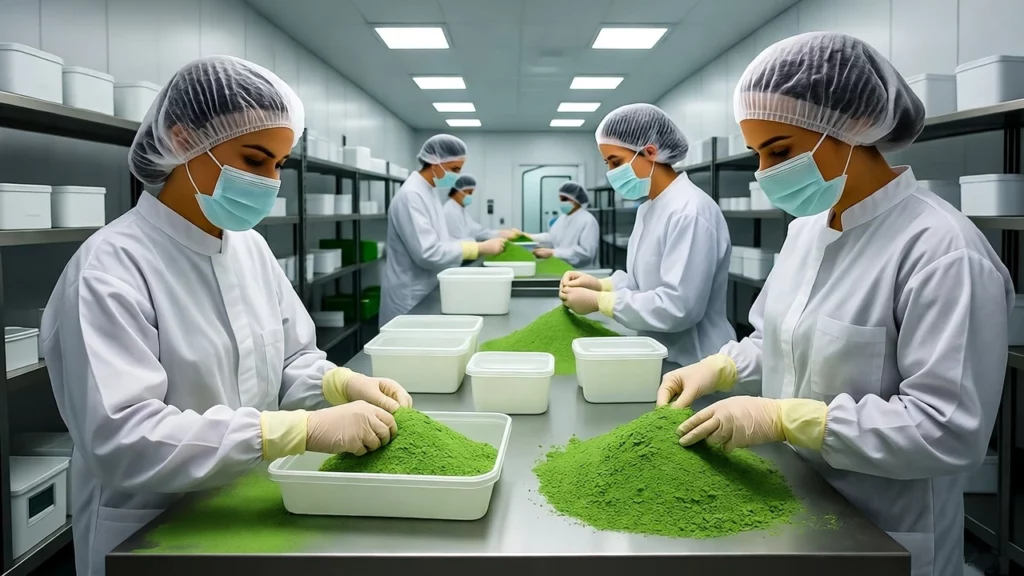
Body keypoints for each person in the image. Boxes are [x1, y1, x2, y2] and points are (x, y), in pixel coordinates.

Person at [40, 56, 414, 576]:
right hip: (149, 532)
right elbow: (123, 438)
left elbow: (290, 359)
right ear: (182, 139)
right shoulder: (110, 269)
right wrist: (294, 432)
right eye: (255, 159)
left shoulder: (249, 249)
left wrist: (337, 384)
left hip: (252, 507)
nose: (270, 181)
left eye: (280, 164)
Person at [656, 32, 1012, 576]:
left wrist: (784, 418)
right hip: (797, 504)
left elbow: (946, 430)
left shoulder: (943, 251)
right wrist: (720, 367)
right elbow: (777, 338)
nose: (765, 173)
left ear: (851, 130)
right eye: (757, 154)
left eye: (780, 151)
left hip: (886, 531)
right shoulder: (806, 232)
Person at [559, 103, 735, 366]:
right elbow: (643, 283)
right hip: (658, 351)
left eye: (616, 162)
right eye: (607, 163)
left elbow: (678, 307)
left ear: (650, 152)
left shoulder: (690, 211)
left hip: (694, 358)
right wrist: (601, 285)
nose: (611, 173)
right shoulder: (649, 208)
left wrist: (600, 302)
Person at [381, 135, 506, 325]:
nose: (456, 176)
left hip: (426, 287)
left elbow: (442, 241)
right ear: (434, 162)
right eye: (454, 169)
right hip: (409, 294)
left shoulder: (428, 191)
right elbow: (428, 253)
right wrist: (478, 248)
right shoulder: (411, 195)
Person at [527, 181, 599, 269]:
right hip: (563, 267)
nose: (561, 202)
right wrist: (528, 236)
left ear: (575, 200)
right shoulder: (563, 218)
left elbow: (585, 253)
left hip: (582, 271)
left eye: (564, 199)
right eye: (560, 198)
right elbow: (551, 238)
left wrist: (553, 253)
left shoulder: (588, 220)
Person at [443, 174, 518, 241]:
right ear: (458, 191)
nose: (470, 196)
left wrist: (499, 233)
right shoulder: (450, 210)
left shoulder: (460, 209)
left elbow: (476, 231)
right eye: (469, 192)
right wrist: (481, 246)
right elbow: (458, 239)